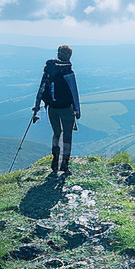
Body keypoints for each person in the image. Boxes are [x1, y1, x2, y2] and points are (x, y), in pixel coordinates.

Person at [32, 44, 81, 173]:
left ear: (58, 54)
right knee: (67, 135)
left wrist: (37, 106)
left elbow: (41, 89)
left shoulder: (49, 70)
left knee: (56, 132)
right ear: (69, 55)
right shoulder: (68, 71)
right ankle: (64, 163)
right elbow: (74, 92)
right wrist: (77, 110)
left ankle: (55, 160)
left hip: (52, 108)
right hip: (66, 108)